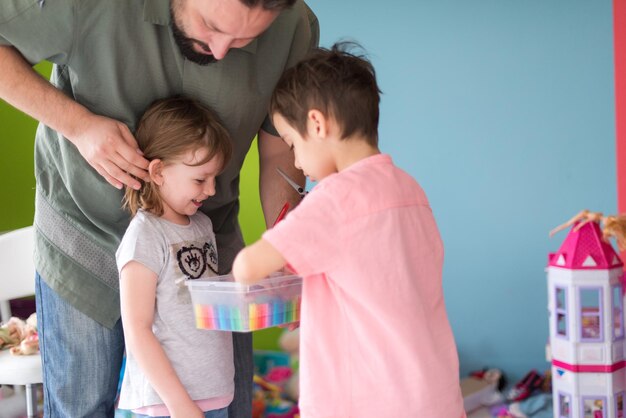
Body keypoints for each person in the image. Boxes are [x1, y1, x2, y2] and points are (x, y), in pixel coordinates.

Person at [0, 0, 318, 416]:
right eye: (210, 26)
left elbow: (280, 154)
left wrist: (285, 245)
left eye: (245, 40)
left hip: (208, 249)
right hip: (84, 232)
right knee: (82, 405)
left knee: (232, 401)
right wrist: (77, 124)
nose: (221, 52)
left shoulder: (294, 26)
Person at [232, 43, 466, 418]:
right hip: (432, 394)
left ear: (317, 124)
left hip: (366, 401)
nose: (295, 160)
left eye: (292, 144)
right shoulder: (410, 189)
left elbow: (248, 267)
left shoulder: (335, 199)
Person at [117, 96, 234, 418]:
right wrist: (178, 403)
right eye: (200, 179)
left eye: (214, 179)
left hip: (213, 394)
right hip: (166, 405)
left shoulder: (202, 224)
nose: (210, 191)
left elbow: (201, 298)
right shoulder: (145, 235)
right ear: (158, 171)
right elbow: (137, 329)